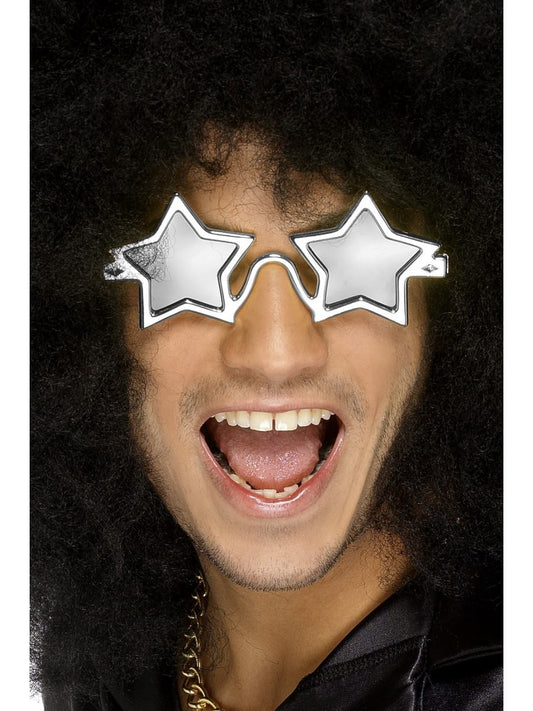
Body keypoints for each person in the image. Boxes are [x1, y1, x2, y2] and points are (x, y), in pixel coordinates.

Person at [31, 1, 502, 709]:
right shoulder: (104, 675)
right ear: (88, 324)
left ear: (453, 316)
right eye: (185, 269)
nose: (276, 353)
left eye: (358, 263)